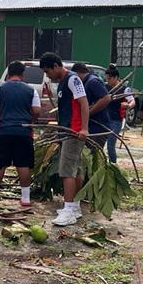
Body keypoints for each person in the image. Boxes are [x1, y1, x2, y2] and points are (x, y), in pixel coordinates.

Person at [39, 52, 89, 227]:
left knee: (66, 171)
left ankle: (68, 210)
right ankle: (74, 206)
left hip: (73, 132)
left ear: (56, 66)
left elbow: (83, 103)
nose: (47, 75)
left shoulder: (72, 79)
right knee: (75, 169)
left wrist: (83, 127)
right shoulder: (62, 83)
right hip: (66, 131)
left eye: (48, 71)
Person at [0, 60, 41, 206]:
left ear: (8, 74)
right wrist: (30, 120)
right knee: (23, 164)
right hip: (24, 132)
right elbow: (37, 111)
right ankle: (25, 198)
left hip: (3, 131)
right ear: (22, 74)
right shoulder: (31, 90)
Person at [70, 63, 111, 148]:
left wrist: (87, 113)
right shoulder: (85, 83)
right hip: (91, 126)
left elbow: (106, 98)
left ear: (77, 73)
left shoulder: (93, 81)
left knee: (93, 156)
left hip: (98, 127)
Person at [104, 65, 136, 164]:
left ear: (116, 78)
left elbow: (132, 101)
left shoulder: (124, 90)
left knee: (110, 145)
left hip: (115, 120)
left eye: (109, 79)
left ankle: (113, 166)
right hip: (104, 118)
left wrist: (127, 105)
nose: (108, 81)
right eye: (106, 79)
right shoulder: (105, 87)